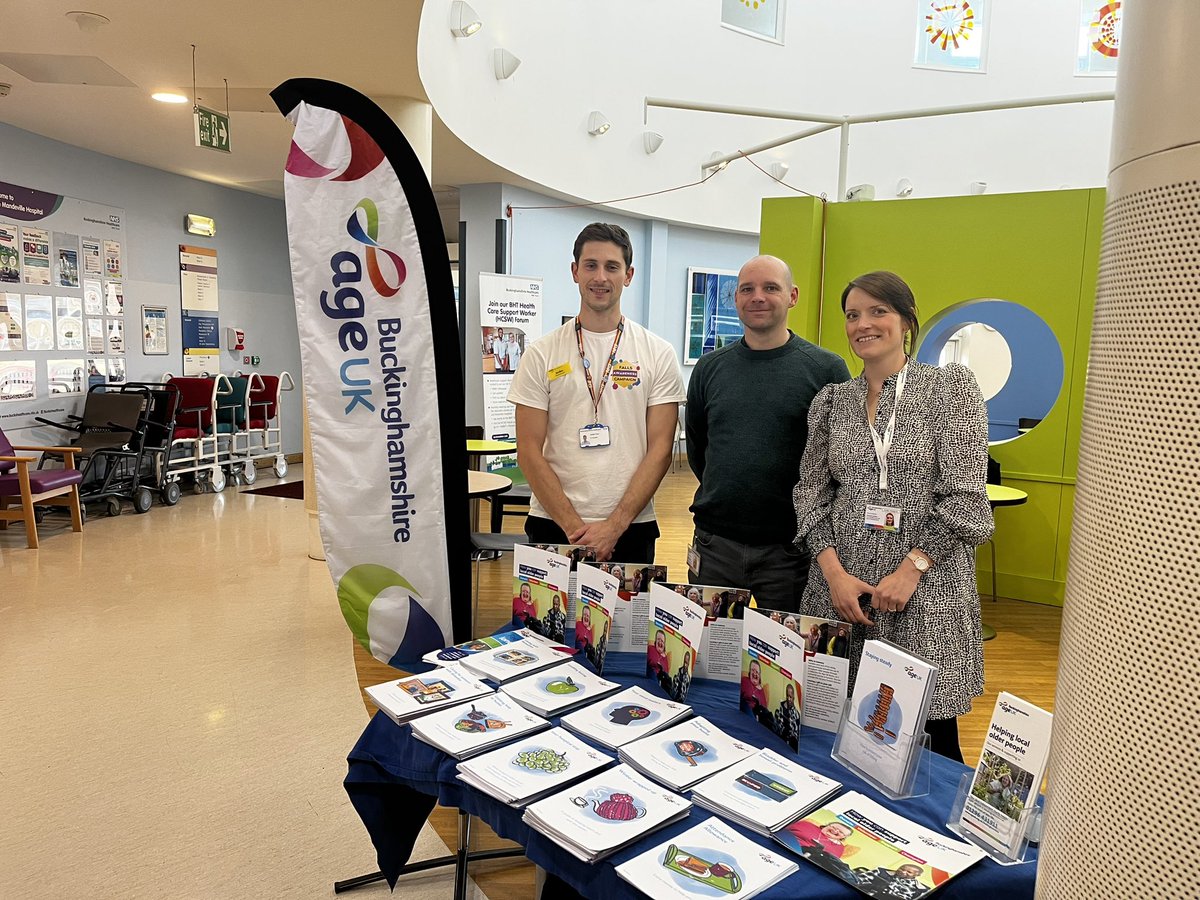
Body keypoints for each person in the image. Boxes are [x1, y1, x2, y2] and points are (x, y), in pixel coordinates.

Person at [793, 271, 993, 762]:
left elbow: (965, 496)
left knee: (929, 741)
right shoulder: (831, 402)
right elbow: (810, 494)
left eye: (878, 311)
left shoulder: (950, 390)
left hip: (923, 594)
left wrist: (911, 570)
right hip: (843, 593)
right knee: (834, 728)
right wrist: (834, 575)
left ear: (906, 320)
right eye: (853, 315)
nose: (863, 324)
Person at [509, 223, 685, 562]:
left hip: (632, 526)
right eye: (590, 265)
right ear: (575, 271)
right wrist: (575, 528)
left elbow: (661, 449)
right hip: (552, 525)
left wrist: (615, 525)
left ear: (629, 275)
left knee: (626, 618)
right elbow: (528, 450)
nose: (600, 277)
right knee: (545, 617)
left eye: (612, 266)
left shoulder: (658, 353)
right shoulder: (541, 353)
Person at [687, 255, 851, 610]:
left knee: (789, 659)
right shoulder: (710, 368)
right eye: (747, 289)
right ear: (736, 299)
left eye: (770, 288)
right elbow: (700, 449)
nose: (757, 297)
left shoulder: (826, 369)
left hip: (792, 550)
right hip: (715, 546)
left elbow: (840, 460)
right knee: (713, 656)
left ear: (792, 296)